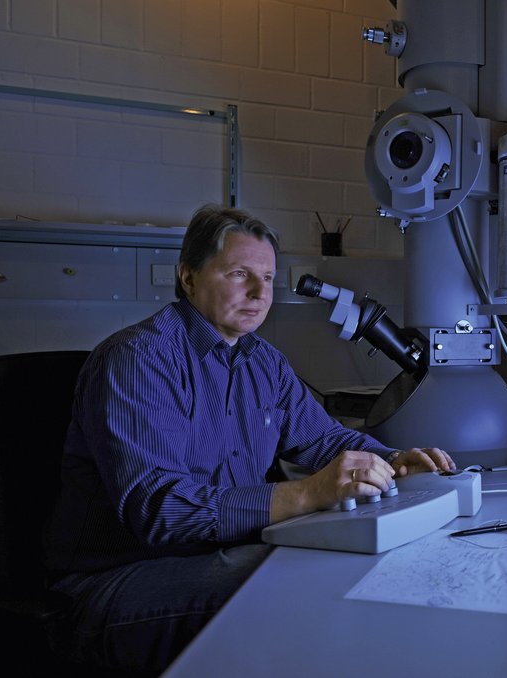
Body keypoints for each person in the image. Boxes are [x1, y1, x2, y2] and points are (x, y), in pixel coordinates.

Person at [45, 204, 453, 673]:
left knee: (336, 565)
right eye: (240, 274)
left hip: (224, 555)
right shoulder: (139, 360)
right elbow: (160, 510)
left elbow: (323, 440)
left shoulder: (265, 363)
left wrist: (392, 460)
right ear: (188, 277)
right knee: (304, 580)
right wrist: (308, 493)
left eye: (268, 278)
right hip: (118, 579)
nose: (260, 293)